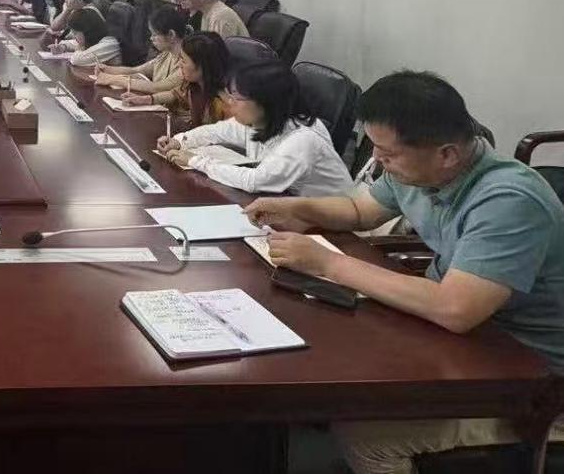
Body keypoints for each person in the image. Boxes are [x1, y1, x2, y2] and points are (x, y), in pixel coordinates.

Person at [244, 71, 564, 474]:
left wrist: (328, 263)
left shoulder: (509, 201)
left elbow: (456, 309)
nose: (378, 161)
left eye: (388, 154)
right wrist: (299, 208)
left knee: (368, 434)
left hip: (531, 379)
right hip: (467, 345)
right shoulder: (420, 170)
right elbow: (359, 211)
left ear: (447, 153)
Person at [155, 61, 353, 196]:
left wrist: (194, 160)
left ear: (266, 102)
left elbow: (254, 181)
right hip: (290, 207)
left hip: (335, 229)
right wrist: (180, 141)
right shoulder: (261, 120)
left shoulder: (303, 138)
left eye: (236, 98)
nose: (229, 103)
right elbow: (216, 131)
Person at [123, 31, 231, 125]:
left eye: (184, 61)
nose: (179, 64)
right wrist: (147, 99)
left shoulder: (223, 105)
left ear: (203, 66)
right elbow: (174, 94)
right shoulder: (194, 85)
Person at [95, 5, 187, 95]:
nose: (151, 38)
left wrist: (112, 79)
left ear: (171, 34)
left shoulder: (187, 62)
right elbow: (136, 70)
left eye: (155, 34)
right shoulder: (166, 55)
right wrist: (107, 69)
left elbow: (156, 87)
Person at [46, 8, 121, 68]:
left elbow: (77, 60)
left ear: (88, 32)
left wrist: (79, 48)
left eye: (75, 33)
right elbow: (75, 43)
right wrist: (63, 47)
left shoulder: (110, 43)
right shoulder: (96, 38)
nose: (74, 36)